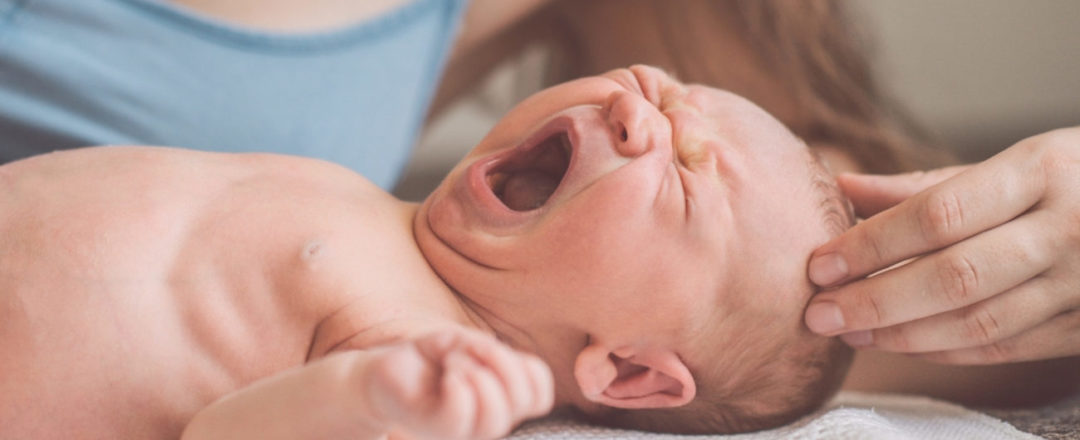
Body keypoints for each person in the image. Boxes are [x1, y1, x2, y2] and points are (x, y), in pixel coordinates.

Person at [1, 66, 853, 439]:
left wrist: (363, 399)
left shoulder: (426, 362)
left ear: (628, 374)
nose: (636, 112)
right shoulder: (374, 204)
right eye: (665, 91)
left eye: (685, 178)